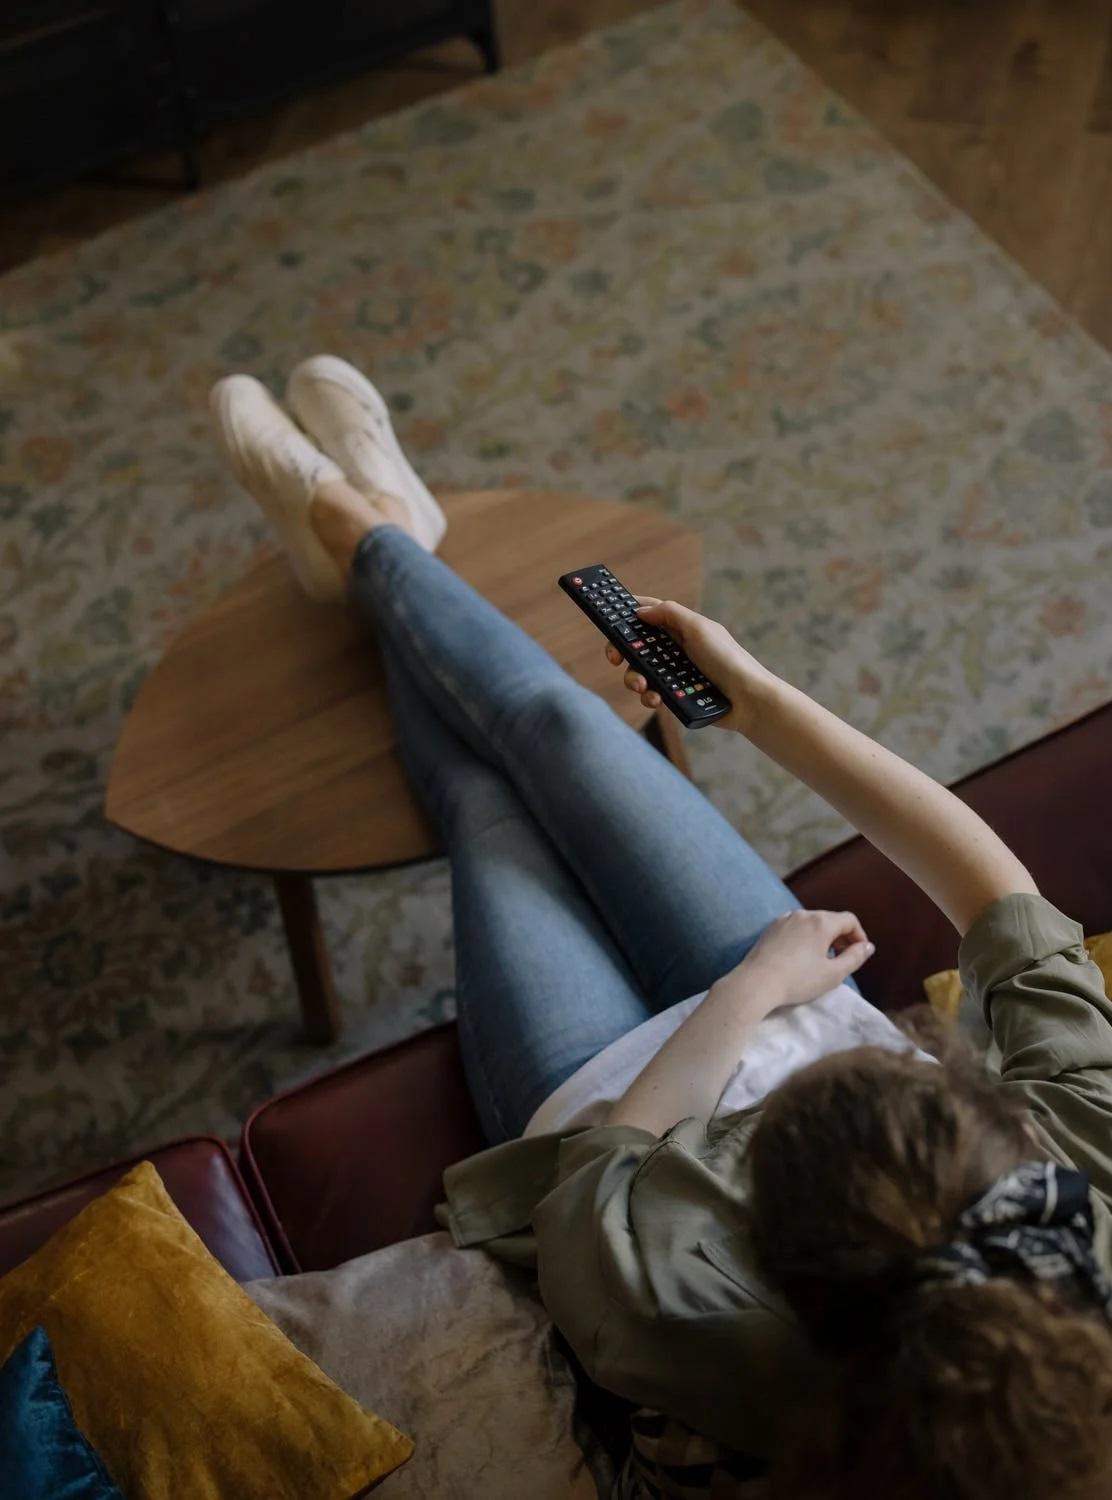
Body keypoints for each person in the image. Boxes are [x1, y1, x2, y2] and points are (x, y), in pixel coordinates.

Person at [211, 355, 1112, 1500]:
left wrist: (748, 995)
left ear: (757, 1248)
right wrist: (761, 701)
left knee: (485, 807)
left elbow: (596, 1182)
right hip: (787, 989)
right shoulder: (1088, 1181)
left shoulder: (699, 1330)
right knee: (553, 724)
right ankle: (369, 529)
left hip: (597, 1097)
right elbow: (999, 898)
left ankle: (355, 526)